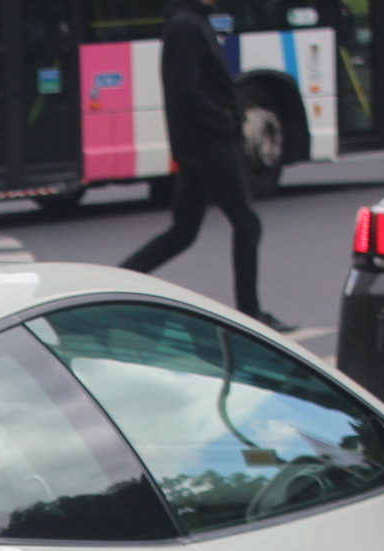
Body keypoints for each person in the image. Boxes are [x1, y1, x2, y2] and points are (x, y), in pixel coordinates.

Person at [121, 0, 292, 332]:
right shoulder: (187, 26)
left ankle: (117, 278)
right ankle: (250, 314)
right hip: (207, 143)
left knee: (182, 233)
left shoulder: (190, 21)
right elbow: (183, 90)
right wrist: (225, 120)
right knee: (246, 223)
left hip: (197, 141)